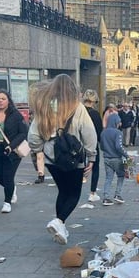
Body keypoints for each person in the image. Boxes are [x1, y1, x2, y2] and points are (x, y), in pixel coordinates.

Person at [27, 74, 97, 245]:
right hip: (73, 157)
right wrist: (92, 156)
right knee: (74, 194)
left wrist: (38, 151)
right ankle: (59, 221)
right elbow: (89, 132)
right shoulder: (77, 107)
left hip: (52, 158)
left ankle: (61, 228)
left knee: (63, 191)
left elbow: (33, 135)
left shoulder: (44, 106)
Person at [0, 89, 28, 213]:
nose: (0, 101)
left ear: (8, 101)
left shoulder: (15, 115)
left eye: (3, 99)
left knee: (8, 176)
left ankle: (7, 202)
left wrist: (11, 145)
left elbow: (23, 133)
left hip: (12, 151)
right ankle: (11, 189)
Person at [100, 114, 130, 205]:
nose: (119, 124)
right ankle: (118, 194)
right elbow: (119, 147)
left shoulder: (103, 132)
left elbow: (101, 146)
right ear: (115, 122)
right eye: (118, 122)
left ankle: (106, 197)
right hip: (116, 158)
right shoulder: (118, 133)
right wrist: (126, 155)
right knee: (121, 176)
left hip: (106, 159)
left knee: (108, 178)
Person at [82, 89, 104, 202]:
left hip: (78, 144)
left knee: (79, 166)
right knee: (95, 168)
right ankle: (92, 192)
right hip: (92, 144)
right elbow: (99, 131)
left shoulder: (78, 113)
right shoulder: (95, 114)